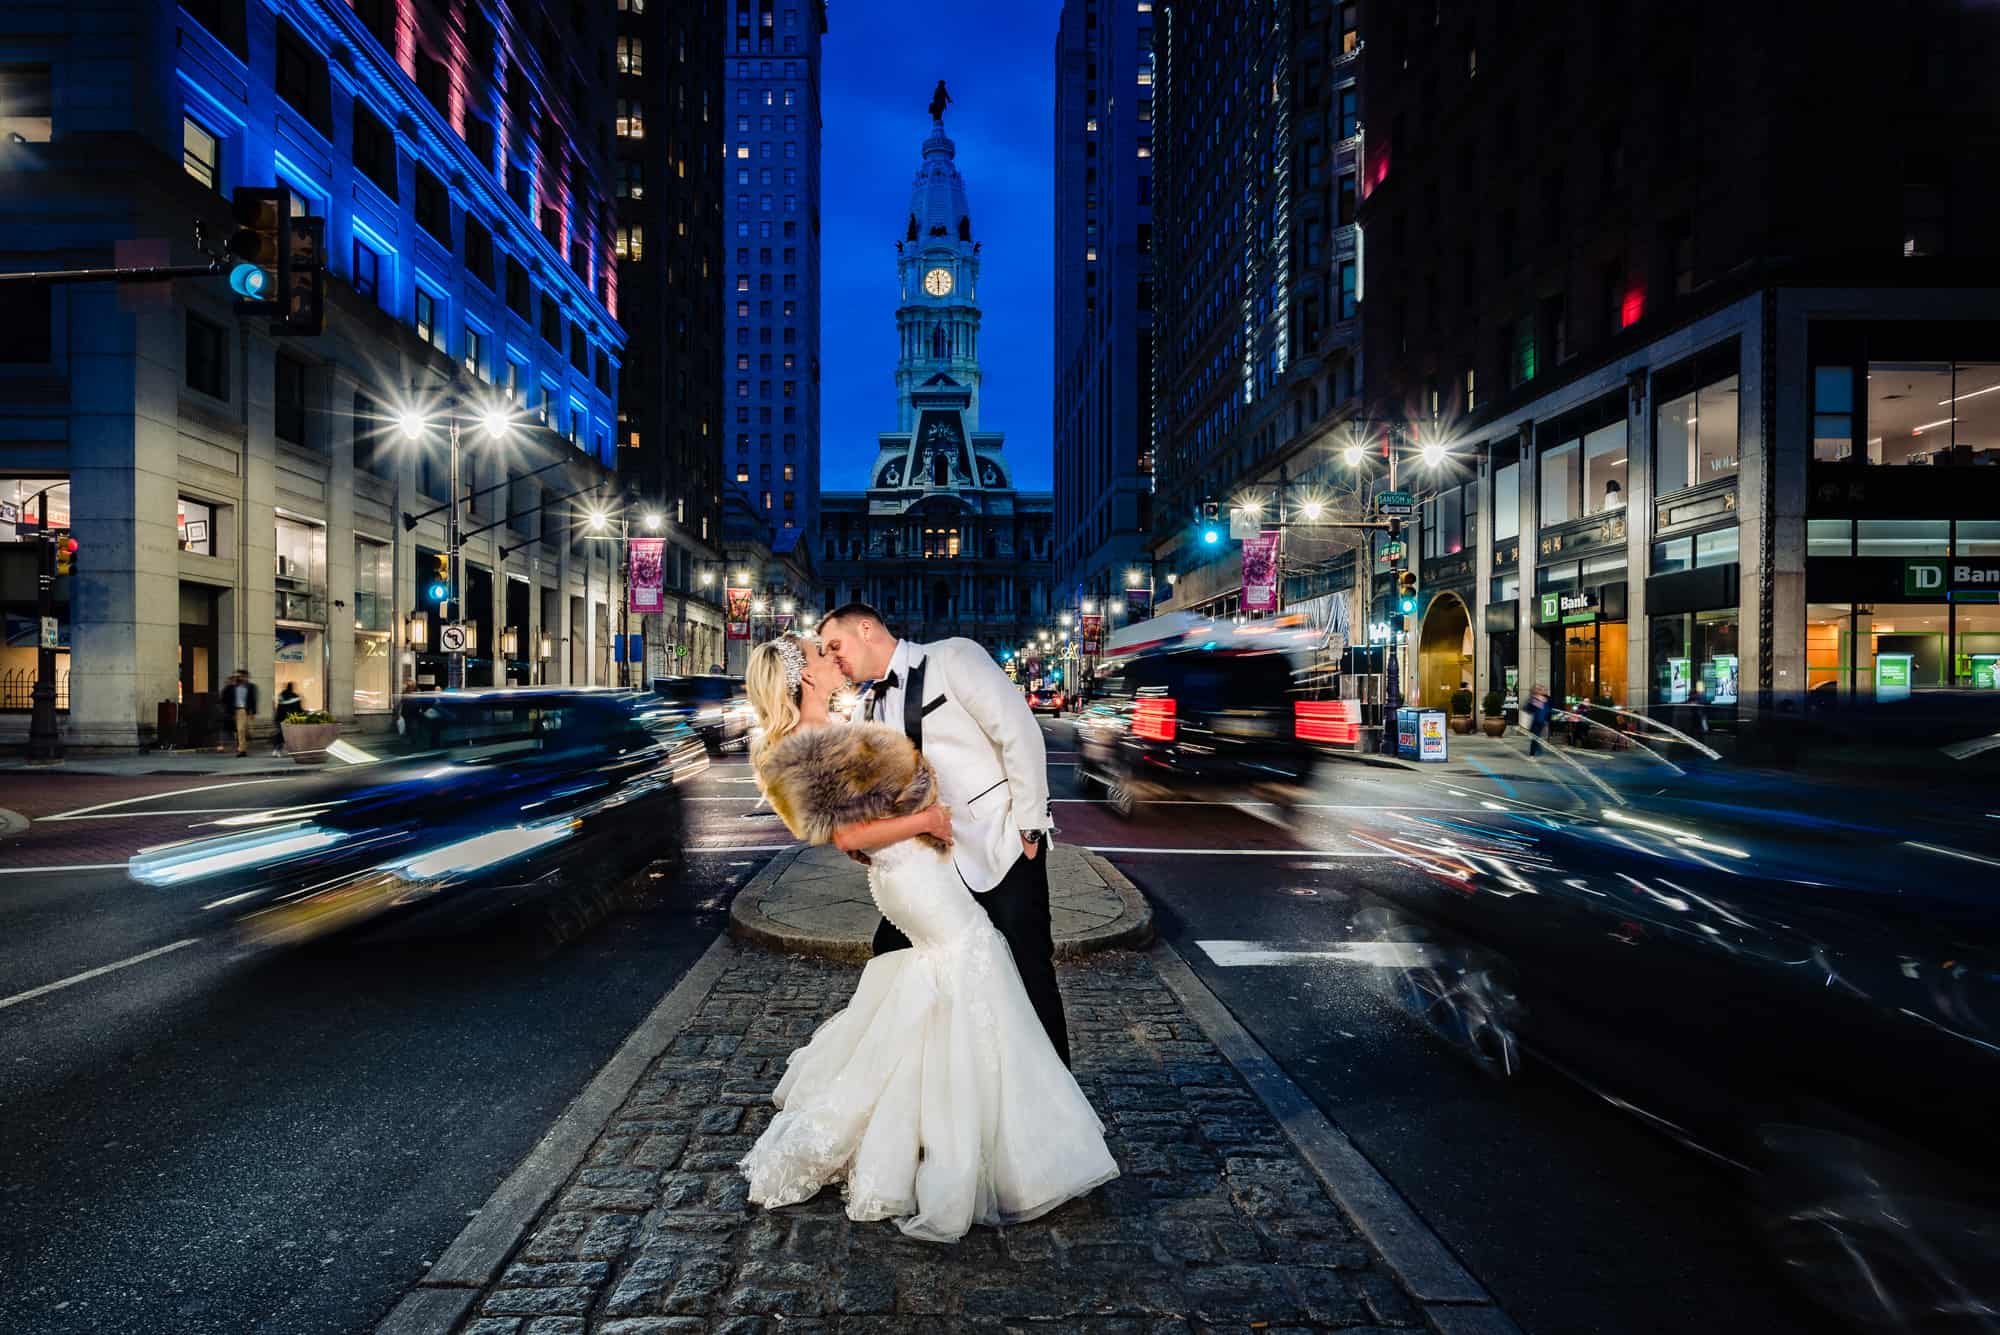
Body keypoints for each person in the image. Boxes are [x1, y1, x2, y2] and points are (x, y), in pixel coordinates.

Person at [736, 634, 1117, 1242]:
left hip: (910, 873)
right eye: (818, 654)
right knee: (974, 966)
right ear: (803, 677)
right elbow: (849, 837)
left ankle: (941, 1125)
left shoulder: (822, 730)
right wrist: (931, 820)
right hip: (913, 874)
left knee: (952, 981)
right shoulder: (814, 742)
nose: (832, 659)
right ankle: (983, 1141)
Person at [817, 601, 1066, 1064]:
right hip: (927, 864)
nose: (834, 659)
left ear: (867, 629)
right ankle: (933, 1085)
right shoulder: (865, 706)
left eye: (836, 645)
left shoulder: (954, 658)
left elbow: (1019, 733)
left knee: (1028, 966)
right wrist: (869, 840)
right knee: (890, 955)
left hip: (1001, 846)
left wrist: (1030, 826)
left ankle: (1055, 1086)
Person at [224, 671, 258, 757]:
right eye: (240, 677)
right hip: (234, 711)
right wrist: (229, 683)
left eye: (243, 677)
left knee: (240, 730)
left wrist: (253, 712)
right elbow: (224, 697)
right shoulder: (233, 687)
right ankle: (243, 743)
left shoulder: (250, 687)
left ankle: (242, 750)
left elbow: (253, 700)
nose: (242, 678)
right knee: (241, 730)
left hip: (243, 710)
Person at [272, 681, 303, 754]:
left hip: (280, 717)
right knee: (288, 734)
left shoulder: (281, 695)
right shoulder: (295, 696)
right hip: (290, 718)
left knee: (281, 733)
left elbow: (279, 707)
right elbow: (298, 708)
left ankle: (277, 749)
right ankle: (286, 749)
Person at [1526, 683, 1552, 756]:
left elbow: (1549, 709)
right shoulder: (1534, 699)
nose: (1543, 691)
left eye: (1544, 689)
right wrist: (1536, 702)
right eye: (1541, 689)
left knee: (1536, 737)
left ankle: (1536, 751)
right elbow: (1528, 708)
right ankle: (1533, 753)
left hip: (1542, 721)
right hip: (1536, 721)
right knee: (1535, 737)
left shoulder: (1547, 699)